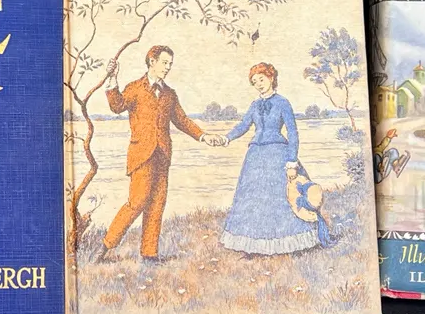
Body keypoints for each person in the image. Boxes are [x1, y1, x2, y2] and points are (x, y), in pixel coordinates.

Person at [99, 45, 225, 261]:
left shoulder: (169, 94)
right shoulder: (135, 88)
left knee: (157, 204)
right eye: (165, 63)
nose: (168, 68)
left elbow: (182, 120)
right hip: (141, 156)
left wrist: (203, 136)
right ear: (152, 61)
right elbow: (117, 106)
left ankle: (149, 255)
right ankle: (106, 246)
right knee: (137, 202)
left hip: (162, 156)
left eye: (170, 64)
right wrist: (112, 78)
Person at [220, 63, 328, 254]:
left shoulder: (282, 103)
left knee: (282, 198)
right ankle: (255, 245)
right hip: (255, 157)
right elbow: (243, 126)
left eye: (261, 79)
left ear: (271, 78)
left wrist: (292, 161)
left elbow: (292, 132)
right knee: (253, 199)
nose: (259, 84)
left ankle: (291, 244)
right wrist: (226, 138)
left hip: (278, 155)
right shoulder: (254, 105)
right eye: (254, 82)